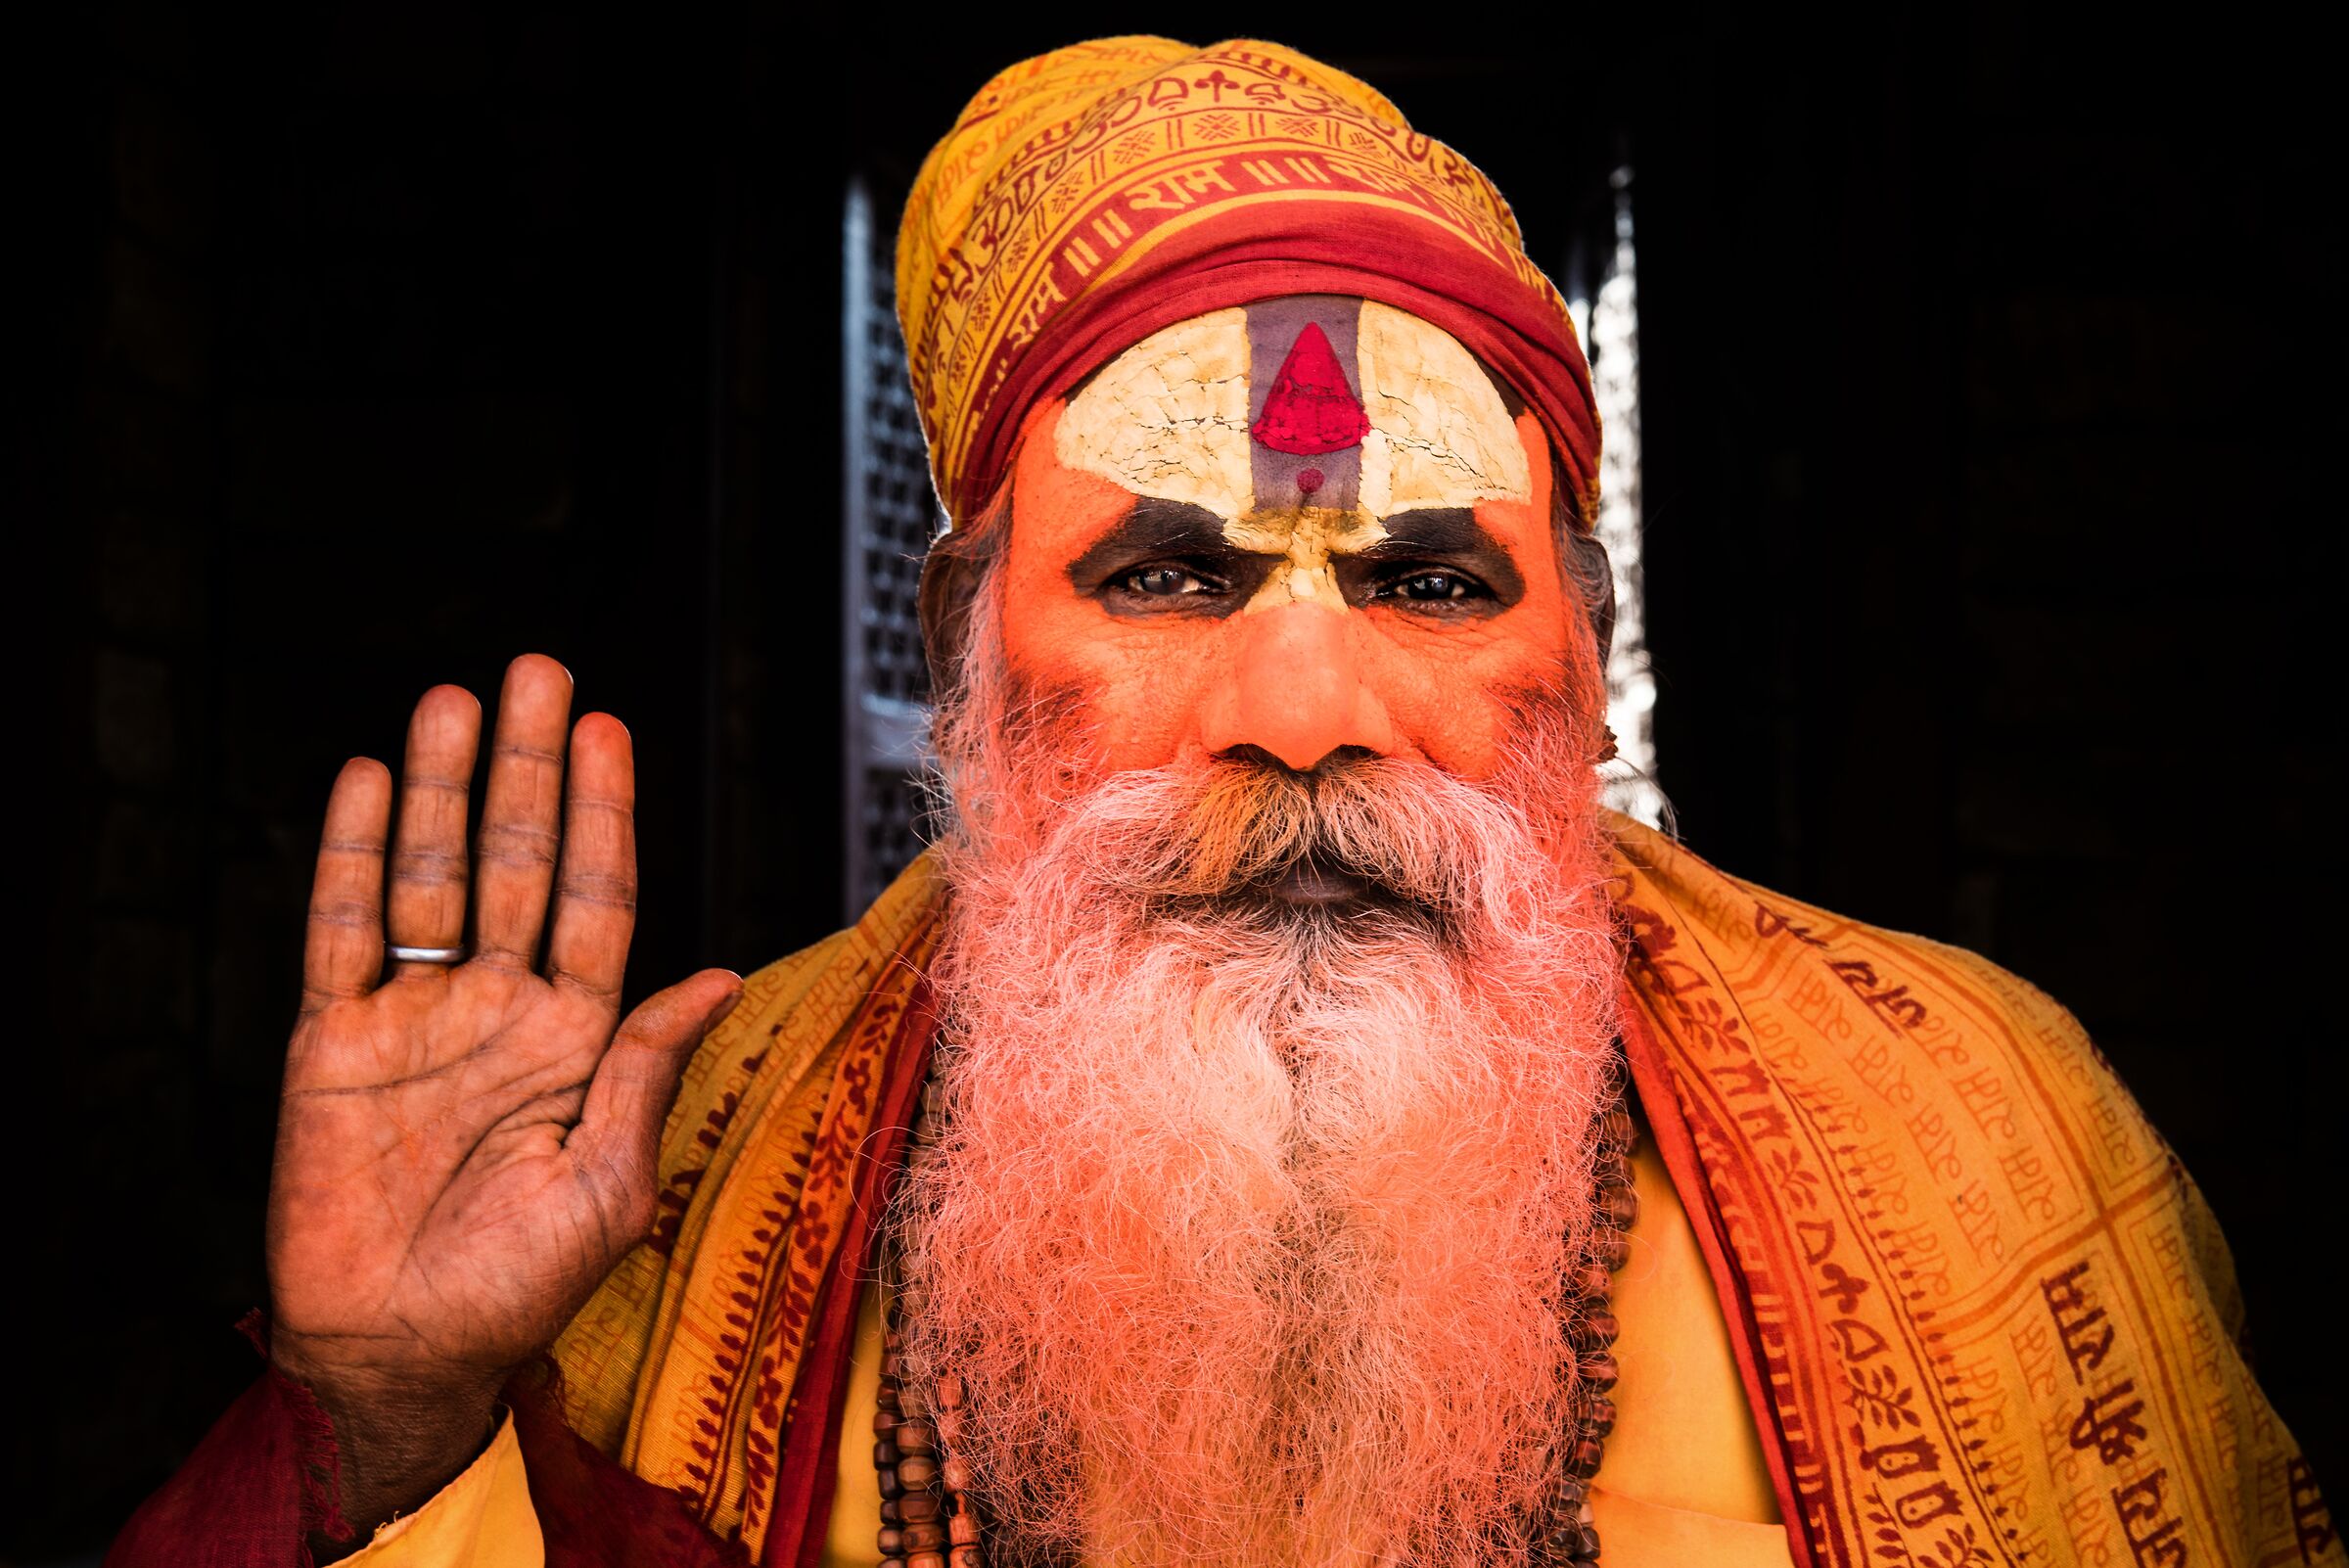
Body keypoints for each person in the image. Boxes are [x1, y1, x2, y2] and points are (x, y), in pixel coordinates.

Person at [112, 35, 2335, 1568]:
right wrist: (389, 1417)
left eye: (1432, 579)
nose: (1301, 706)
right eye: (1169, 573)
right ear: (973, 650)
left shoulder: (1984, 1144)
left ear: (1580, 651)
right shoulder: (681, 1177)